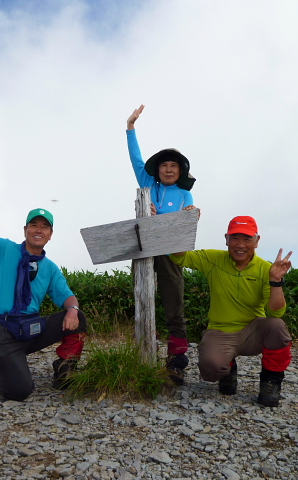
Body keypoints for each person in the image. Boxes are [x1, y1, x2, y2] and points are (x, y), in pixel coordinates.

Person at [0, 171, 87, 401]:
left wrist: (72, 309)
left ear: (50, 235)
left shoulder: (49, 267)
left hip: (29, 329)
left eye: (44, 227)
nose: (38, 230)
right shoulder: (3, 250)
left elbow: (67, 296)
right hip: (0, 331)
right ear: (25, 230)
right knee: (20, 392)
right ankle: (2, 370)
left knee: (79, 316)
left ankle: (65, 368)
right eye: (34, 225)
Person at [171, 216, 293, 407]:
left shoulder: (265, 268)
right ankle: (228, 369)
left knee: (276, 326)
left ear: (257, 241)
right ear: (226, 239)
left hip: (252, 331)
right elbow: (179, 256)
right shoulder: (213, 259)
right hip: (220, 331)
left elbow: (275, 314)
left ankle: (271, 382)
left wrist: (276, 280)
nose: (240, 245)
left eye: (247, 239)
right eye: (235, 238)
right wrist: (182, 221)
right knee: (210, 371)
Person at [126, 104, 198, 385]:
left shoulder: (184, 195)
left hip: (170, 254)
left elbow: (188, 220)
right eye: (164, 165)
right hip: (143, 250)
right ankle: (145, 352)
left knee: (174, 305)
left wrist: (191, 215)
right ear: (157, 169)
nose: (168, 169)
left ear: (180, 171)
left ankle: (176, 359)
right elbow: (135, 159)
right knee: (142, 299)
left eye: (173, 166)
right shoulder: (147, 182)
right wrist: (130, 127)